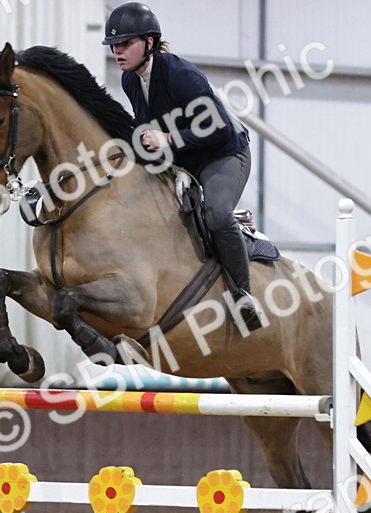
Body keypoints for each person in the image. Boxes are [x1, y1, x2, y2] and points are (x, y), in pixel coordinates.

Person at [103, 2, 263, 331]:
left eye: (125, 44)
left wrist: (167, 138)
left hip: (225, 153)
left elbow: (218, 128)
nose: (118, 51)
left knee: (216, 214)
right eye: (114, 46)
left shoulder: (180, 75)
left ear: (149, 43)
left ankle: (243, 295)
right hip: (185, 157)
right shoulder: (130, 80)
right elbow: (146, 126)